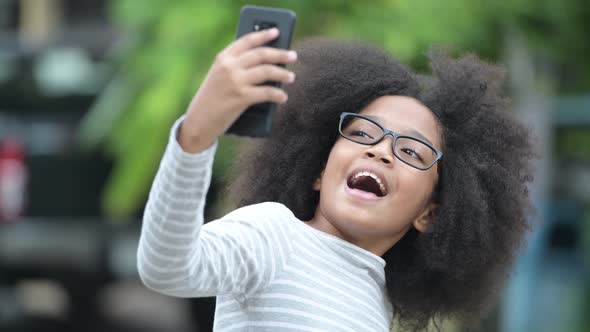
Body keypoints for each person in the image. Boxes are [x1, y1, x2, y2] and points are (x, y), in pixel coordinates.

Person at [137, 27, 535, 331]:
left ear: (430, 214)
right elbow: (167, 267)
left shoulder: (375, 303)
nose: (380, 150)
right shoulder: (273, 234)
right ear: (318, 171)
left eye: (411, 151)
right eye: (362, 133)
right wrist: (195, 136)